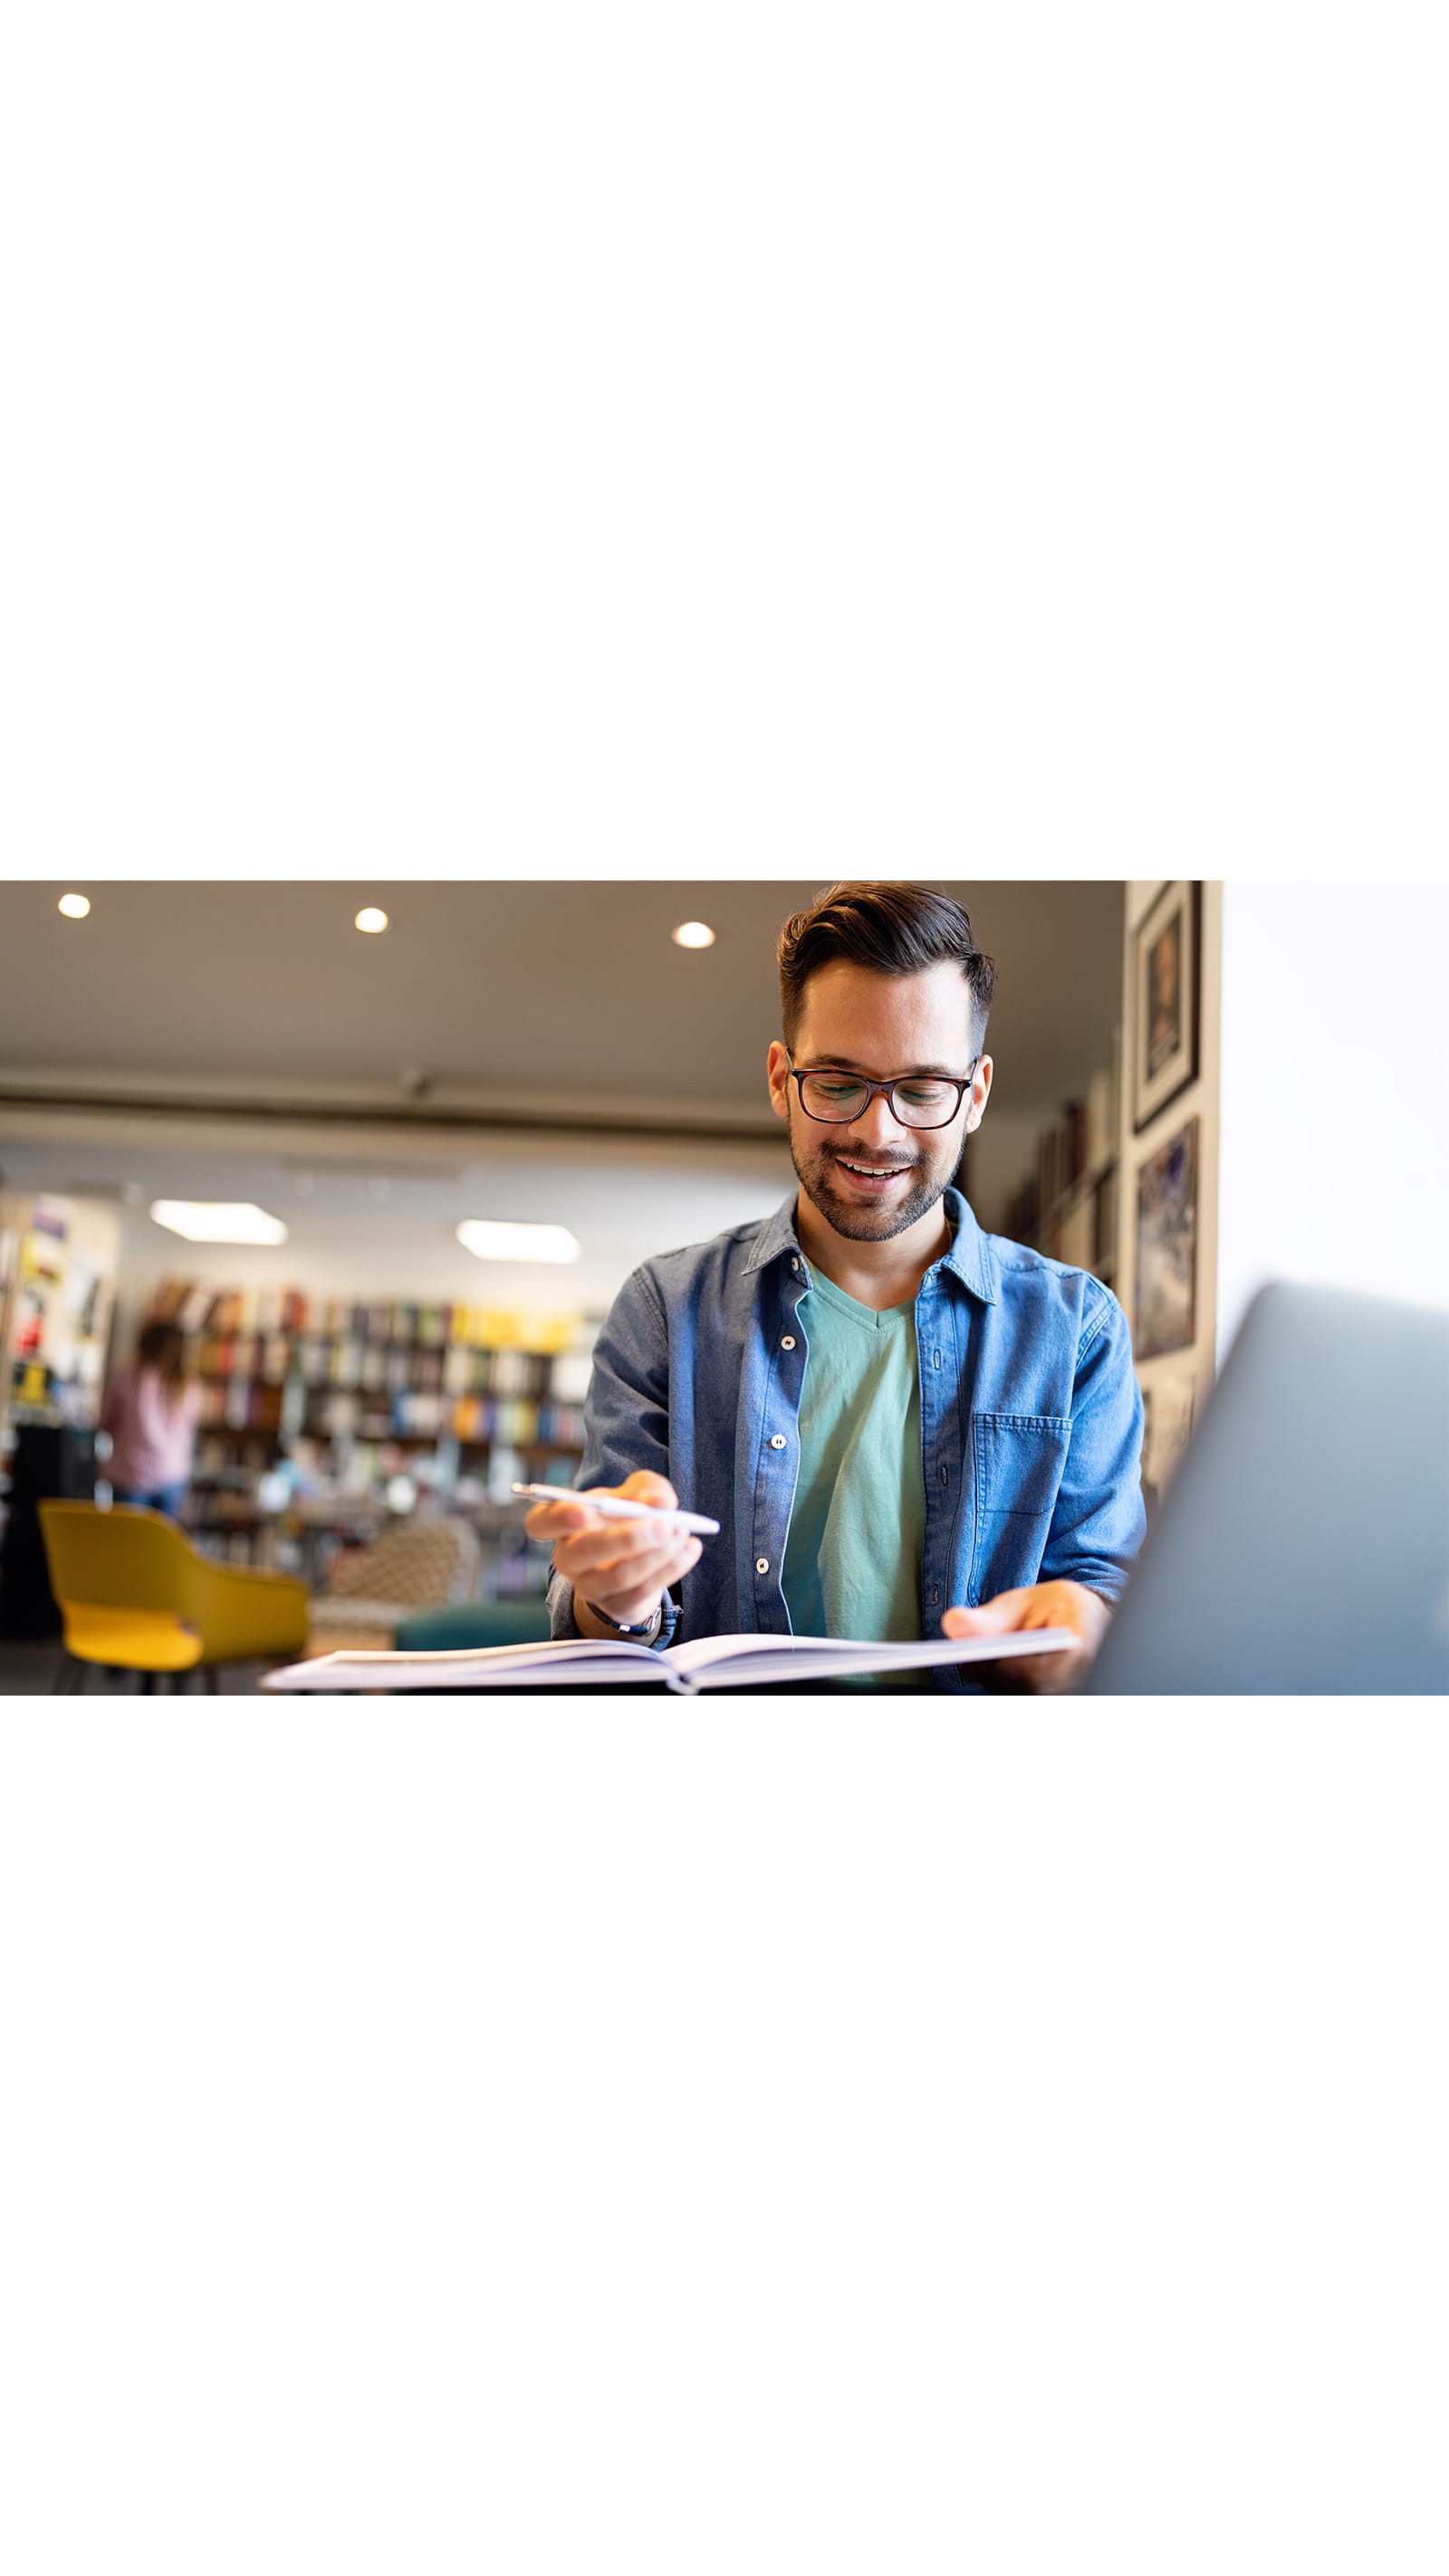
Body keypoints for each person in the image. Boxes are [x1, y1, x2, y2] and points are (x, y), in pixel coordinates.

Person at [526, 882, 1145, 1691]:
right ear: (781, 1079)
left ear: (976, 1096)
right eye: (838, 1082)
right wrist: (617, 1597)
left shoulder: (1077, 1329)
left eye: (922, 1090)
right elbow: (593, 1622)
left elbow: (1105, 1588)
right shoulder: (664, 1310)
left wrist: (1086, 1629)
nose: (877, 1132)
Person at [98, 1319, 203, 1520]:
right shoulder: (189, 1384)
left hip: (130, 1474)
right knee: (162, 1539)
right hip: (172, 1474)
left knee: (130, 1538)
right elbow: (190, 1427)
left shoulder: (126, 1376)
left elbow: (105, 1421)